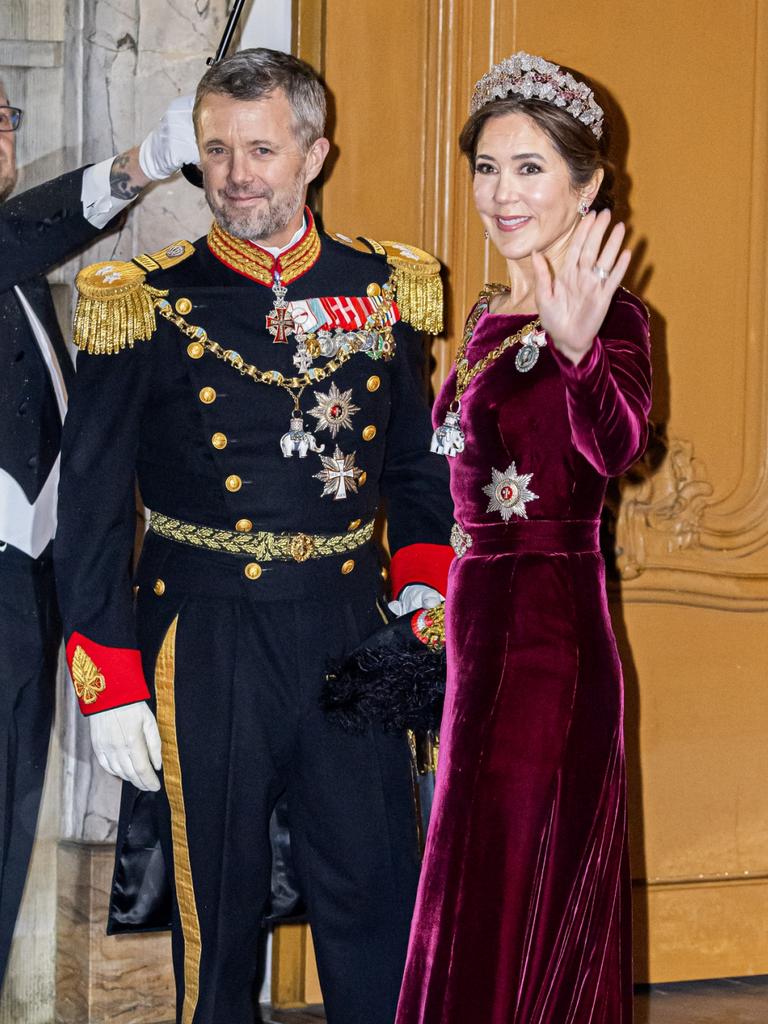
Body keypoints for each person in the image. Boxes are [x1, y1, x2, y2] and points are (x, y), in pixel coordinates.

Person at [54, 48, 453, 1024]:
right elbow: (93, 505)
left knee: (378, 893)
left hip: (355, 627)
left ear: (315, 152)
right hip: (207, 636)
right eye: (217, 148)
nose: (236, 173)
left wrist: (426, 609)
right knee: (216, 916)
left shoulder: (388, 288)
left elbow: (416, 472)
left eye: (262, 148)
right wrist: (105, 672)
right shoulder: (145, 301)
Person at [395, 52, 651, 1024]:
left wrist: (584, 352)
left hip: (550, 635)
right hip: (479, 626)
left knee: (510, 889)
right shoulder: (484, 313)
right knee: (468, 884)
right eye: (488, 166)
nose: (503, 192)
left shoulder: (616, 314)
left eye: (532, 167)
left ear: (588, 185)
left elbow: (618, 444)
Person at [0, 79, 197, 988]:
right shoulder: (11, 244)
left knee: (8, 830)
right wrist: (138, 167)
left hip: (27, 595)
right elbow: (31, 227)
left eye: (2, 121)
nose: (0, 140)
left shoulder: (17, 273)